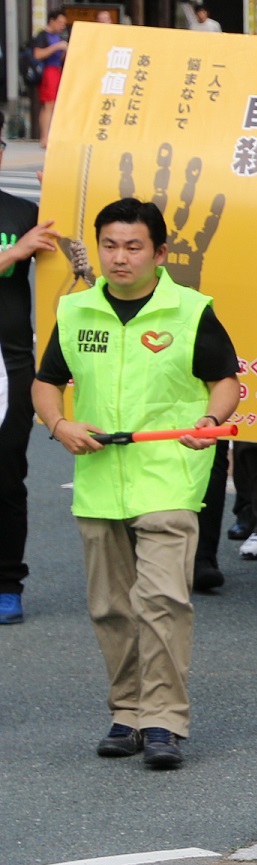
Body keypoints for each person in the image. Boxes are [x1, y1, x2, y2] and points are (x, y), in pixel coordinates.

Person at [31, 198, 240, 770]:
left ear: (159, 253)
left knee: (163, 600)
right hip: (99, 481)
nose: (120, 258)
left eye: (133, 247)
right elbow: (47, 383)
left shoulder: (191, 310)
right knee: (109, 608)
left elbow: (225, 381)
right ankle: (127, 713)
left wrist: (209, 422)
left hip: (168, 476)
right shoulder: (75, 312)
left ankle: (164, 722)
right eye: (110, 246)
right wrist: (60, 423)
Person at [0, 136, 53, 623]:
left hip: (9, 364)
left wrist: (63, 202)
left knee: (7, 476)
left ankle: (7, 583)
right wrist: (13, 256)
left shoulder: (21, 211)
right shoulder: (15, 241)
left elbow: (80, 266)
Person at [29, 9, 69, 141]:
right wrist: (57, 47)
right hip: (48, 71)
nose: (62, 26)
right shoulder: (42, 35)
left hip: (57, 70)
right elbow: (38, 54)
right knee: (48, 104)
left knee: (56, 104)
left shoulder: (58, 36)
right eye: (60, 22)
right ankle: (44, 137)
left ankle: (51, 134)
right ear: (52, 21)